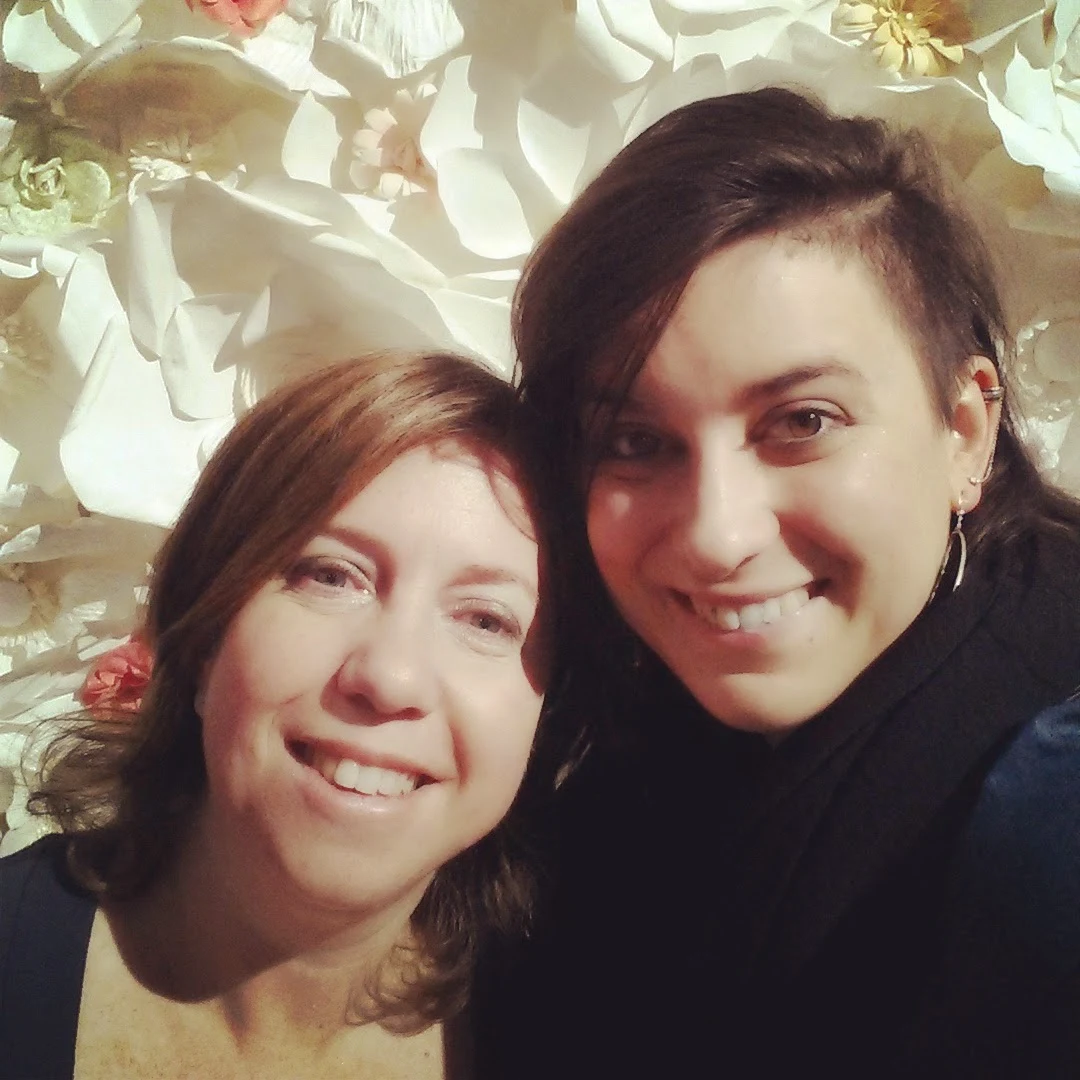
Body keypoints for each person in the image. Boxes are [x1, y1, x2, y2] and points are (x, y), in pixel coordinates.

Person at [470, 88, 1080, 1078]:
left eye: (803, 422)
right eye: (634, 440)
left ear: (964, 431)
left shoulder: (1044, 803)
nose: (717, 537)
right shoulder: (612, 750)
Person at [0, 351, 568, 1080]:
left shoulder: (597, 1031)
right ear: (202, 640)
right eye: (331, 576)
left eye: (486, 620)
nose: (390, 677)